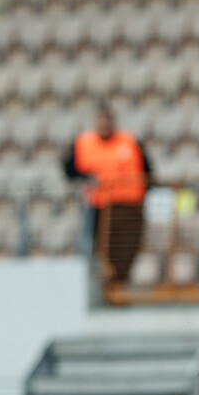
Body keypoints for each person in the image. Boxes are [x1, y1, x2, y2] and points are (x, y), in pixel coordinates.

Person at [63, 103, 152, 284]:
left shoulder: (129, 142)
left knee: (126, 250)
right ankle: (107, 287)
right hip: (100, 207)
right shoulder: (84, 143)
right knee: (103, 251)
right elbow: (69, 170)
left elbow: (148, 171)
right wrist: (87, 177)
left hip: (129, 207)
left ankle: (120, 285)